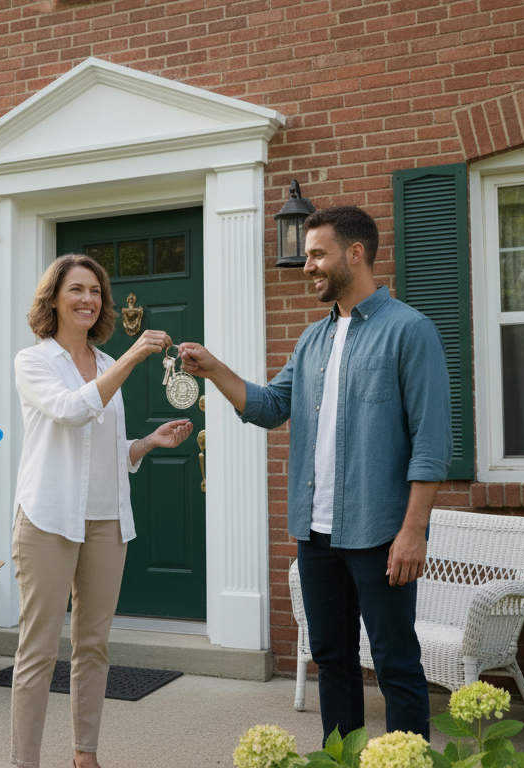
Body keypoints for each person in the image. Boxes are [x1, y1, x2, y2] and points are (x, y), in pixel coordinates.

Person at [180, 206, 452, 743]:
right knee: (332, 659)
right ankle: (342, 757)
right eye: (307, 256)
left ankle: (408, 760)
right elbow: (269, 406)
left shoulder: (410, 331)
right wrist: (213, 369)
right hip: (316, 534)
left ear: (355, 254)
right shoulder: (313, 340)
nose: (308, 267)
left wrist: (413, 531)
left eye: (317, 254)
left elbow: (432, 442)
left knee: (395, 662)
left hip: (381, 531)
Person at [10, 253, 194, 768]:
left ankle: (84, 755)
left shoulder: (109, 364)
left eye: (95, 290)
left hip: (107, 523)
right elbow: (71, 411)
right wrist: (135, 357)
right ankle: (25, 760)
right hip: (47, 519)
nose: (88, 299)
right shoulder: (34, 361)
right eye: (76, 289)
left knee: (93, 646)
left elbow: (105, 450)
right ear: (54, 299)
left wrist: (144, 444)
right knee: (38, 651)